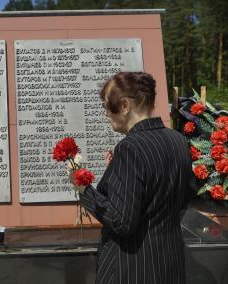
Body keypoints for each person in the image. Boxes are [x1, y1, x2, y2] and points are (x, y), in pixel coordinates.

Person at [69, 72, 194, 283]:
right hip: (169, 265)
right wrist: (119, 173)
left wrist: (83, 189)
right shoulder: (178, 140)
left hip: (133, 269)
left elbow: (121, 222)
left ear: (125, 106)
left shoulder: (130, 148)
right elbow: (180, 200)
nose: (106, 114)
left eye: (107, 105)